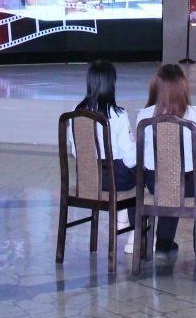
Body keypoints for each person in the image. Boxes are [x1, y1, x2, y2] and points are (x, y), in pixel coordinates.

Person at [135, 64, 196, 255]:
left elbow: (140, 157)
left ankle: (164, 241)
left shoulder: (143, 116)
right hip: (188, 185)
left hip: (156, 184)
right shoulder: (194, 115)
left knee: (168, 183)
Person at [67, 60, 137, 253]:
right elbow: (130, 158)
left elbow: (75, 152)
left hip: (88, 179)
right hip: (113, 180)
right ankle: (135, 236)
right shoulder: (118, 115)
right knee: (141, 176)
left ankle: (123, 216)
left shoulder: (75, 113)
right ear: (111, 84)